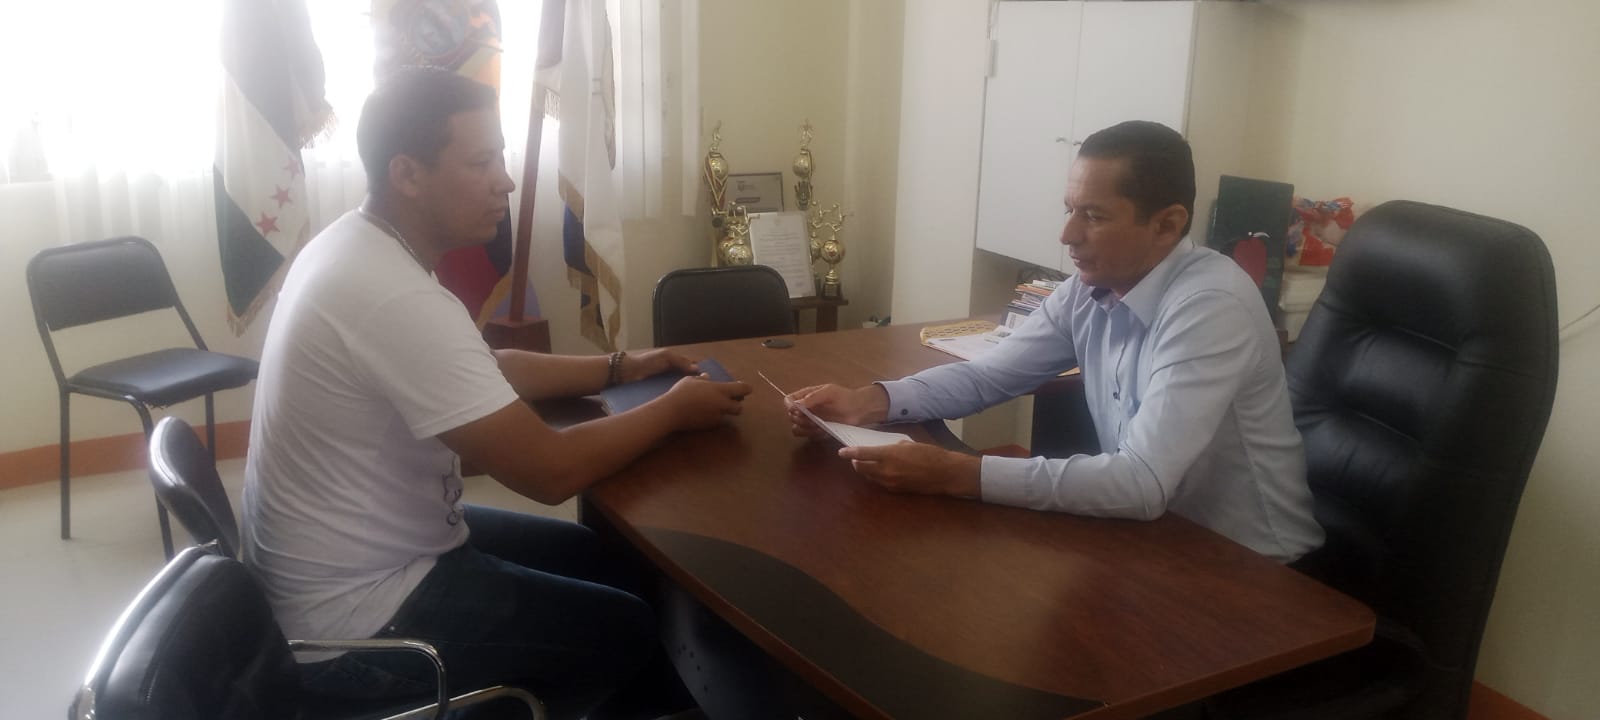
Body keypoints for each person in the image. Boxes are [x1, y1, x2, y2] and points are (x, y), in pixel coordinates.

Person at [241, 67, 749, 718]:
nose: (505, 181)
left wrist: (622, 366)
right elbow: (549, 472)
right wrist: (672, 409)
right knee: (627, 626)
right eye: (481, 162)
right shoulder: (391, 294)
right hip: (355, 626)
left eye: (500, 157)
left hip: (345, 570)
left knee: (601, 557)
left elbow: (486, 367)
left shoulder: (358, 244)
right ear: (408, 174)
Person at [788, 120, 1322, 563]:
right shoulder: (1089, 288)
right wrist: (870, 401)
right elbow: (989, 375)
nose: (1067, 236)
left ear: (1166, 226)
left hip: (1255, 568)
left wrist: (959, 474)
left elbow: (1141, 482)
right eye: (1070, 209)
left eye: (1094, 216)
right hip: (1159, 540)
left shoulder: (1210, 306)